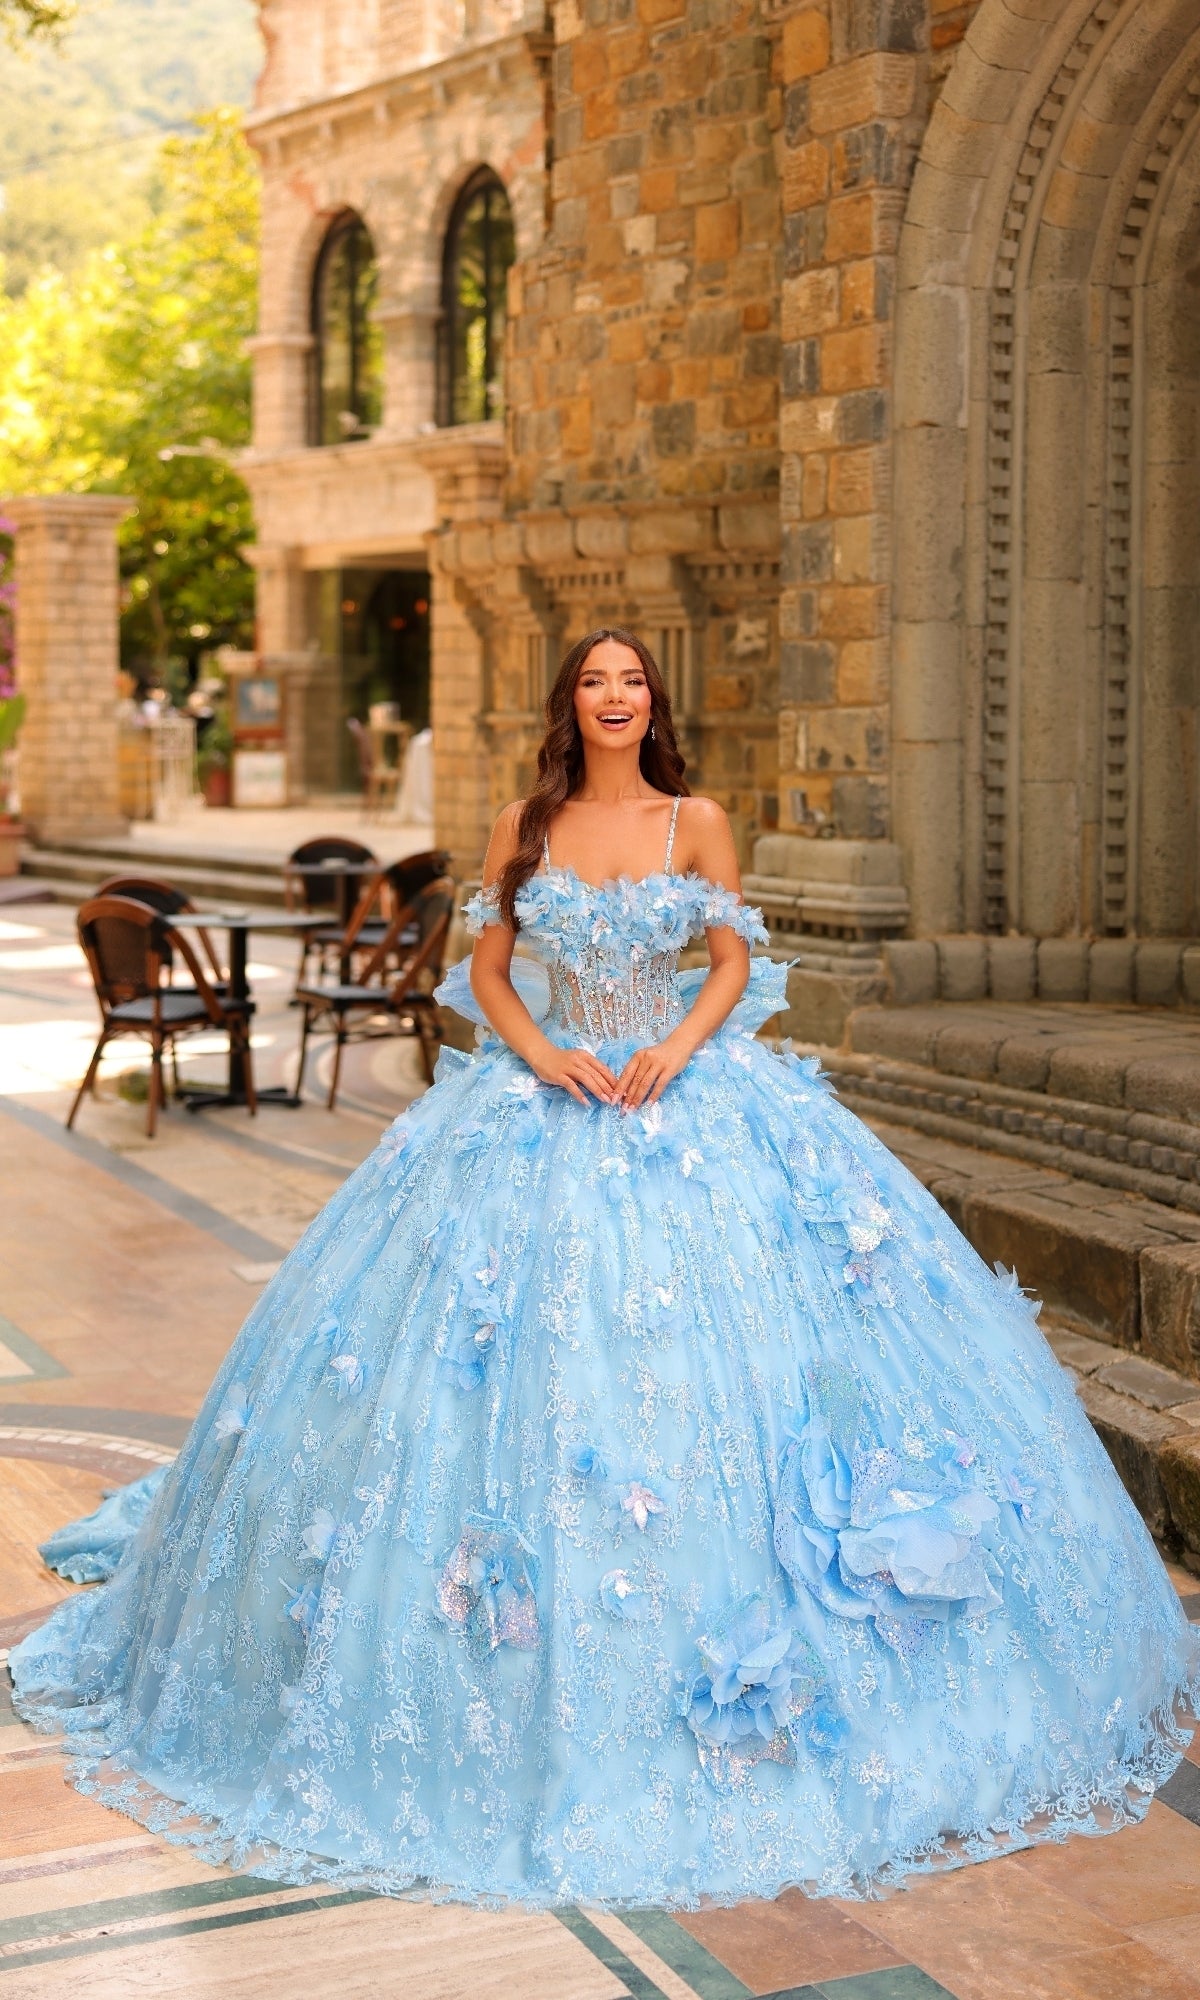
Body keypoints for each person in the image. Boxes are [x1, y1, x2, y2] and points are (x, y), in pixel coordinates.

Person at [11, 628, 1198, 1910]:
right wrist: (539, 1054)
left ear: (655, 701)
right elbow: (483, 968)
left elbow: (735, 961)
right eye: (595, 680)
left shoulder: (699, 820)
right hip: (548, 1095)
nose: (617, 697)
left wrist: (680, 1049)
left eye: (633, 680)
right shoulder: (525, 820)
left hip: (686, 1089)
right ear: (568, 701)